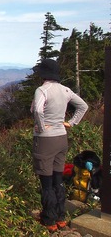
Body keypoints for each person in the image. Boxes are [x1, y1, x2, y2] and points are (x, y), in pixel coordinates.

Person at [31, 58, 88, 233]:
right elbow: (83, 106)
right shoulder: (65, 90)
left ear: (43, 74)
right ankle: (61, 217)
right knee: (58, 180)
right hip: (61, 138)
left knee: (46, 181)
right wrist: (71, 123)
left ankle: (49, 219)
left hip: (46, 140)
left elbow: (39, 110)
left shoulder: (42, 90)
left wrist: (41, 127)